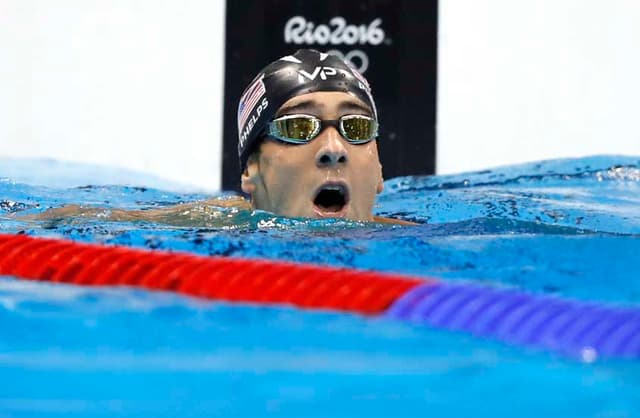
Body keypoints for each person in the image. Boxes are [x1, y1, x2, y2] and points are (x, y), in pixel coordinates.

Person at [27, 49, 413, 226]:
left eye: (355, 128)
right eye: (299, 127)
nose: (333, 150)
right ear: (252, 168)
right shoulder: (212, 224)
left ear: (379, 169)